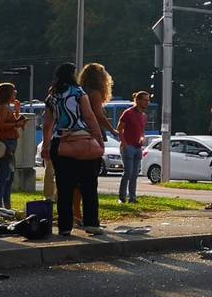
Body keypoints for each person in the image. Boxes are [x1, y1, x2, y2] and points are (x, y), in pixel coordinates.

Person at [41, 63, 105, 236]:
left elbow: (47, 124)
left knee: (64, 187)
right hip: (83, 141)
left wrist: (46, 145)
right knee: (89, 185)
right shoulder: (79, 93)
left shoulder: (52, 96)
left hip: (60, 144)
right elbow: (89, 116)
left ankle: (64, 227)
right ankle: (91, 223)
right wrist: (99, 138)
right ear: (72, 75)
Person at [76, 63, 117, 222]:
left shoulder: (80, 91)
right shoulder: (95, 93)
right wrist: (112, 130)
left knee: (77, 178)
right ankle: (88, 217)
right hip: (92, 135)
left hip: (79, 134)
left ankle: (76, 212)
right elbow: (98, 115)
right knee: (90, 178)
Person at [0, 82, 27, 211]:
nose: (15, 94)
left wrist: (17, 111)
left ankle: (7, 206)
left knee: (10, 176)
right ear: (7, 94)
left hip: (11, 143)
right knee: (4, 175)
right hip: (6, 143)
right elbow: (1, 125)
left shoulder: (7, 107)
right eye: (13, 92)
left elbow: (12, 121)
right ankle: (0, 206)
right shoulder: (3, 108)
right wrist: (17, 124)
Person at [117, 91, 149, 204]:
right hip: (128, 146)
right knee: (128, 173)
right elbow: (119, 129)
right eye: (145, 100)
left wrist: (142, 138)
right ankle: (122, 197)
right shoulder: (128, 113)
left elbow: (141, 131)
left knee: (135, 174)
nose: (147, 102)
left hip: (138, 147)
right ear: (138, 100)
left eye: (148, 100)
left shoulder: (144, 116)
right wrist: (124, 144)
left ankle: (132, 197)